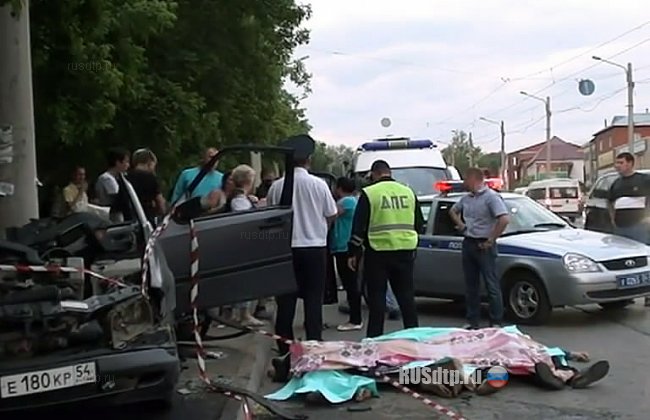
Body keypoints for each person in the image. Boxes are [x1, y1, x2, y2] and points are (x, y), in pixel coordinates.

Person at [267, 134, 338, 365]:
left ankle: (285, 348)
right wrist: (319, 230)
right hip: (314, 248)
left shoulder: (277, 187)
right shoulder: (319, 185)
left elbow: (270, 217)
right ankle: (314, 345)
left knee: (285, 302)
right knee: (313, 300)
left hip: (285, 250)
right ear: (308, 159)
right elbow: (331, 214)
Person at [347, 159, 424, 338]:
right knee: (406, 298)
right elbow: (419, 223)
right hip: (405, 251)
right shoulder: (408, 192)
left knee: (377, 299)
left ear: (374, 174)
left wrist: (353, 253)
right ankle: (415, 337)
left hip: (378, 252)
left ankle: (376, 340)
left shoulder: (370, 193)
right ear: (389, 172)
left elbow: (359, 227)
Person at [449, 167, 510, 330]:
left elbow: (504, 219)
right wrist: (461, 225)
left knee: (491, 284)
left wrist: (492, 239)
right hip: (469, 242)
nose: (464, 182)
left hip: (484, 244)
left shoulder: (491, 197)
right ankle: (472, 321)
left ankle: (496, 322)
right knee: (471, 285)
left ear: (474, 179)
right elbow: (453, 211)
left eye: (466, 179)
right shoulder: (467, 198)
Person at [607, 152, 650, 307]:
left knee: (644, 260)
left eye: (621, 162)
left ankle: (647, 294)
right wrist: (613, 220)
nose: (617, 165)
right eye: (616, 163)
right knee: (625, 262)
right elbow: (610, 203)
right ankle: (627, 293)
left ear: (631, 163)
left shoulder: (643, 180)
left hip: (639, 226)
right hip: (621, 228)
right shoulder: (616, 183)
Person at [225, 164, 266, 326]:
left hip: (238, 244)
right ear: (249, 180)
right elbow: (244, 221)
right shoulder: (240, 201)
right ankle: (244, 314)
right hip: (243, 244)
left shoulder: (239, 198)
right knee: (247, 279)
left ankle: (236, 313)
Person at [330, 177, 362, 332]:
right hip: (348, 246)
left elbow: (330, 215)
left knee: (350, 284)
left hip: (344, 246)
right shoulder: (354, 200)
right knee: (351, 283)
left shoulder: (345, 202)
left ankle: (355, 319)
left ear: (339, 188)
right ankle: (355, 317)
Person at [125, 148, 167, 224]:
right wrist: (164, 214)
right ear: (149, 162)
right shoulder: (151, 178)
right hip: (147, 218)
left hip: (130, 219)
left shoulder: (126, 177)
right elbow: (159, 201)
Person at [94, 147, 130, 221]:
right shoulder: (106, 178)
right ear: (118, 163)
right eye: (126, 162)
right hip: (111, 215)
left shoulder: (119, 177)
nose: (128, 165)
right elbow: (118, 195)